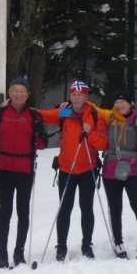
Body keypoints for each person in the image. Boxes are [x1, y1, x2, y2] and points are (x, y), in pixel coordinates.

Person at [0, 75, 47, 268]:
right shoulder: (0, 113)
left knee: (23, 211)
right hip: (5, 169)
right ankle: (2, 253)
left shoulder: (33, 115)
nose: (18, 94)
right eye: (15, 90)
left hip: (25, 170)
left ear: (28, 94)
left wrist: (39, 131)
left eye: (22, 91)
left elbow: (42, 144)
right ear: (9, 93)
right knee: (5, 212)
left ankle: (19, 252)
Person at [38, 79, 107, 261]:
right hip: (66, 168)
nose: (76, 98)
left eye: (80, 95)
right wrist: (16, 107)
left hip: (88, 169)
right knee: (64, 208)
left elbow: (102, 144)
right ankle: (61, 245)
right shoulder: (64, 112)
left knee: (86, 208)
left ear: (86, 96)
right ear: (70, 96)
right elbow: (42, 115)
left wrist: (90, 132)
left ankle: (87, 244)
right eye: (74, 94)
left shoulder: (94, 114)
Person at [97, 90, 137, 259]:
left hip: (134, 168)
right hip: (111, 169)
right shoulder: (109, 118)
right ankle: (118, 242)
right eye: (116, 102)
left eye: (122, 102)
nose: (119, 105)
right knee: (115, 208)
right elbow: (91, 109)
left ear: (131, 104)